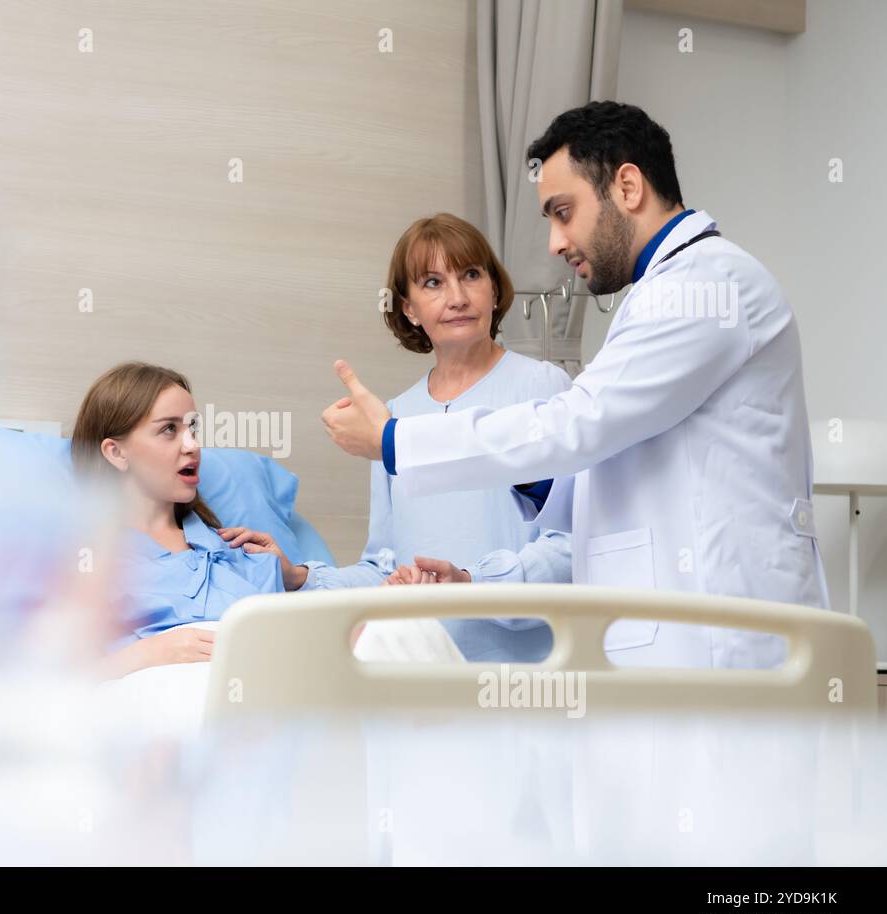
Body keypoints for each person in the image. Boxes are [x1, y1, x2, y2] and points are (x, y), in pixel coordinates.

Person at [321, 101, 827, 669]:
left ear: (628, 186)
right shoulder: (662, 294)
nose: (555, 243)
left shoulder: (706, 285)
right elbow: (607, 451)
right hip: (683, 634)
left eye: (563, 212)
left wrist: (396, 443)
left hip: (723, 633)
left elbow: (580, 424)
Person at [302, 213, 571, 662]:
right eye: (432, 283)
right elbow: (384, 568)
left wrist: (471, 585)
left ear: (495, 288)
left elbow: (569, 547)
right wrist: (299, 577)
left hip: (525, 680)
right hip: (422, 674)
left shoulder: (543, 389)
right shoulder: (394, 420)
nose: (458, 297)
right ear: (407, 307)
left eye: (471, 274)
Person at [71, 362, 307, 677]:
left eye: (192, 429)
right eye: (169, 429)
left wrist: (295, 577)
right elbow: (52, 689)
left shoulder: (242, 555)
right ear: (116, 453)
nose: (193, 445)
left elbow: (295, 653)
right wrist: (149, 653)